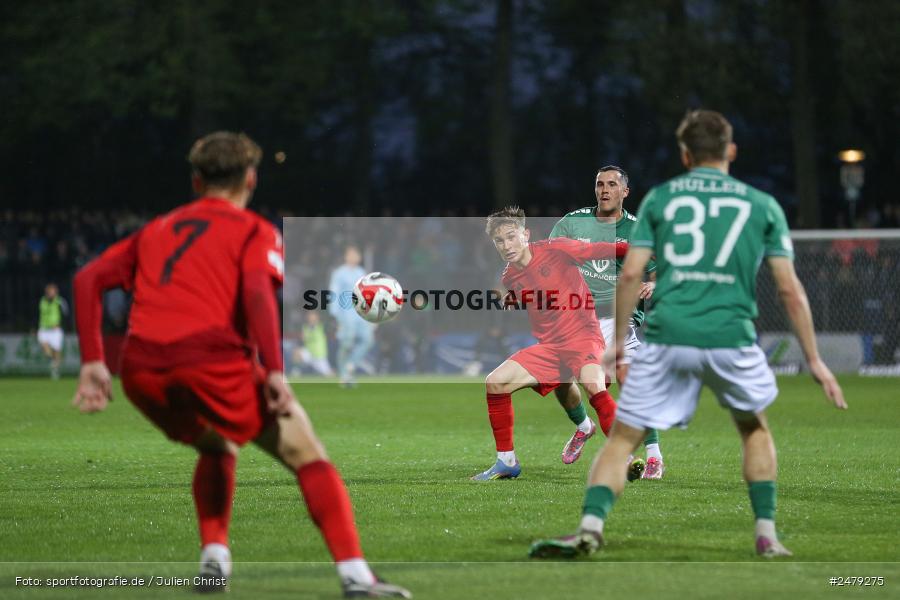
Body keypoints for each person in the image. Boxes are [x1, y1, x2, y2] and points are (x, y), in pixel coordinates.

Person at [71, 131, 410, 598]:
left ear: (196, 182)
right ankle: (357, 576)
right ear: (250, 179)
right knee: (307, 454)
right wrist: (274, 370)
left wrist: (93, 361)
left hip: (142, 371)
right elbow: (256, 293)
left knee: (216, 447)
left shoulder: (157, 229)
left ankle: (215, 560)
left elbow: (88, 278)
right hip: (212, 361)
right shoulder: (254, 230)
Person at [529, 110, 847, 560]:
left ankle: (590, 528)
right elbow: (789, 289)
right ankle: (767, 536)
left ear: (684, 154)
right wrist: (814, 359)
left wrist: (617, 344)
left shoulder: (662, 201)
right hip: (730, 334)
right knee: (754, 429)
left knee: (622, 437)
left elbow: (630, 276)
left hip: (670, 333)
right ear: (731, 151)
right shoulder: (762, 205)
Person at [472, 206, 628, 481]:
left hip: (583, 337)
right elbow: (535, 297)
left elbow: (600, 250)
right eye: (499, 240)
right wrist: (514, 300)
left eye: (511, 236)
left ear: (525, 234)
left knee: (593, 388)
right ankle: (506, 461)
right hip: (550, 347)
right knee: (494, 382)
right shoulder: (510, 277)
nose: (506, 245)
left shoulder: (556, 249)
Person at [549, 166, 665, 476]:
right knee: (560, 382)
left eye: (612, 184)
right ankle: (584, 427)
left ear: (625, 192)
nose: (605, 189)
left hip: (617, 318)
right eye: (600, 183)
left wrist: (652, 284)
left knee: (630, 382)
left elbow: (657, 272)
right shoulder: (573, 222)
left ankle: (653, 455)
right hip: (575, 320)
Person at [328, 246, 375, 387]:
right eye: (351, 255)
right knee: (346, 344)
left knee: (368, 340)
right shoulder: (339, 273)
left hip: (360, 314)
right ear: (346, 256)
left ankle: (350, 366)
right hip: (345, 314)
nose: (354, 257)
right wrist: (335, 315)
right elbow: (334, 293)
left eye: (356, 255)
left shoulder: (361, 272)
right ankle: (344, 376)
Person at [37, 283, 69, 379]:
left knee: (56, 351)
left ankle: (55, 370)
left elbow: (66, 314)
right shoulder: (42, 301)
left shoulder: (60, 301)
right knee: (46, 350)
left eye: (53, 292)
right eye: (50, 292)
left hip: (55, 330)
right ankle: (53, 362)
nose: (51, 294)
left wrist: (61, 325)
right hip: (44, 329)